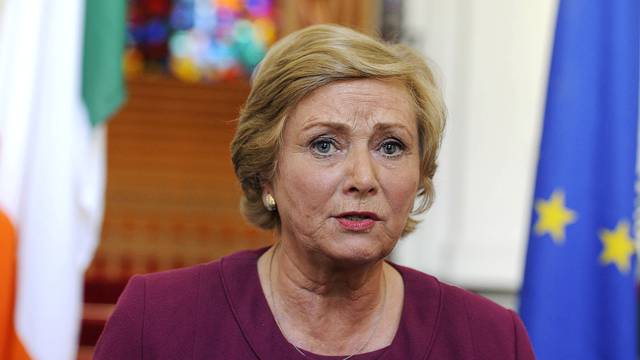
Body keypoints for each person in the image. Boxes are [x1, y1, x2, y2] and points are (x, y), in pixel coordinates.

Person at [94, 24, 535, 359]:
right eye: (325, 144)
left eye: (391, 146)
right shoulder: (158, 320)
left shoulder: (491, 340)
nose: (363, 177)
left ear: (420, 173)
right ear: (267, 170)